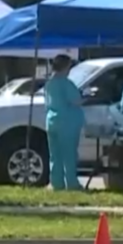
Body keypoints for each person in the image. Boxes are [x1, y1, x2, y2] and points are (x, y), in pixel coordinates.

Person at [44, 54, 84, 190]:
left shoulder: (49, 84)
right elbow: (76, 101)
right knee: (69, 155)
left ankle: (56, 183)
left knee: (54, 155)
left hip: (51, 121)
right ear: (66, 67)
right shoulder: (66, 84)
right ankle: (72, 183)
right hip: (67, 123)